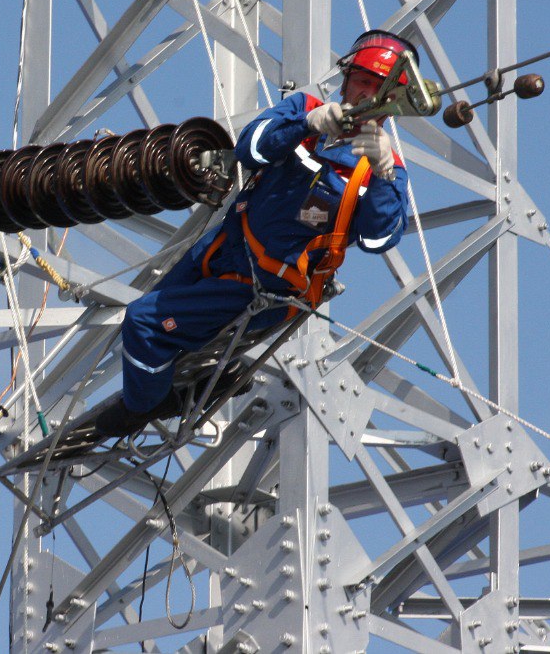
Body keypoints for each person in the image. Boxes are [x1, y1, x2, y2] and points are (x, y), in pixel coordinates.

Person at [95, 30, 414, 438]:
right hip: (224, 247)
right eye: (361, 83)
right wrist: (305, 124)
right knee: (154, 314)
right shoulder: (307, 109)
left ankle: (141, 407)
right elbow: (251, 148)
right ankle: (190, 385)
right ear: (346, 79)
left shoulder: (383, 170)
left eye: (377, 91)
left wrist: (385, 173)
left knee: (142, 323)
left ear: (392, 106)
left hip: (268, 288)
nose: (365, 97)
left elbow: (378, 240)